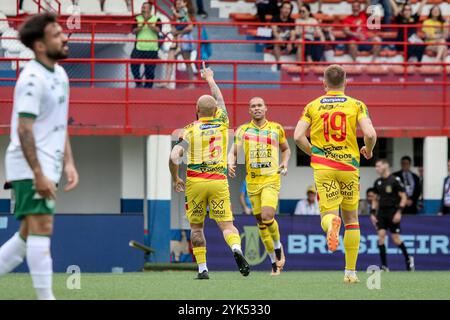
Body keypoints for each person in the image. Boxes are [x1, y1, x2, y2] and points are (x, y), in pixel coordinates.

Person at [0, 13, 79, 300]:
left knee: (25, 236)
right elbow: (24, 129)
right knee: (42, 228)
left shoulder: (59, 74)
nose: (65, 36)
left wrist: (69, 162)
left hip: (48, 164)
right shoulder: (32, 79)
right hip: (30, 166)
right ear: (41, 46)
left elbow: (59, 123)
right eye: (57, 34)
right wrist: (38, 173)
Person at [294, 64, 377, 284]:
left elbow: (297, 136)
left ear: (324, 83)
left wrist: (315, 152)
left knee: (328, 216)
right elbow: (369, 133)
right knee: (352, 220)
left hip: (324, 168)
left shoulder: (312, 106)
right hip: (349, 168)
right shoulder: (356, 105)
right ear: (346, 82)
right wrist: (368, 150)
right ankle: (350, 272)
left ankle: (331, 223)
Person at [169, 62, 250, 280]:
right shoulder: (223, 122)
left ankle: (203, 269)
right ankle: (236, 249)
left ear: (196, 111)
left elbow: (174, 156)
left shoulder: (189, 129)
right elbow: (220, 99)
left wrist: (176, 176)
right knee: (227, 225)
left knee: (196, 228)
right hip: (218, 181)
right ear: (215, 111)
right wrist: (210, 79)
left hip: (195, 182)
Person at [229, 97, 291, 276]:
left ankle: (279, 248)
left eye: (259, 105)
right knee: (261, 224)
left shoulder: (276, 128)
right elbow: (233, 153)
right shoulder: (243, 130)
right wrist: (230, 163)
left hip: (271, 179)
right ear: (249, 110)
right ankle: (273, 262)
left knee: (267, 215)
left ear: (266, 108)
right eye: (253, 106)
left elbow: (286, 149)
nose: (256, 108)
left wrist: (285, 163)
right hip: (252, 182)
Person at [371, 159, 414, 271]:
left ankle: (409, 259)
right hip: (381, 213)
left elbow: (404, 197)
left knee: (395, 239)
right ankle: (384, 266)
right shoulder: (378, 182)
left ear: (386, 165)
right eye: (376, 166)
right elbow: (375, 199)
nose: (377, 168)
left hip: (393, 213)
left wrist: (399, 212)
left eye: (378, 166)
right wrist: (372, 213)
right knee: (381, 237)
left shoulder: (395, 180)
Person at [163, 0, 195, 89]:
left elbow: (190, 27)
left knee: (187, 61)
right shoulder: (175, 15)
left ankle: (191, 83)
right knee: (170, 60)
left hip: (185, 39)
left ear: (185, 3)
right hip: (176, 40)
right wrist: (175, 32)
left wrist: (178, 32)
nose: (178, 3)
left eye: (180, 2)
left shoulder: (187, 13)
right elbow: (173, 28)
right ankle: (167, 82)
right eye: (177, 2)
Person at [131, 2, 161, 88]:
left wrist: (148, 23)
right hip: (139, 47)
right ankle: (138, 82)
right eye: (142, 7)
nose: (143, 9)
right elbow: (133, 31)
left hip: (152, 48)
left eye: (145, 8)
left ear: (150, 9)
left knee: (150, 69)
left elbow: (158, 30)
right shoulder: (137, 19)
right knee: (134, 65)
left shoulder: (157, 19)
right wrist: (142, 25)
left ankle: (148, 87)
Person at [270, 1, 296, 72]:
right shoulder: (275, 18)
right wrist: (280, 39)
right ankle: (279, 63)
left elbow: (293, 33)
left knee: (300, 42)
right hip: (279, 40)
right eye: (285, 8)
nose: (287, 10)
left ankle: (299, 66)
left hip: (288, 42)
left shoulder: (292, 20)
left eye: (289, 8)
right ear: (281, 9)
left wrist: (290, 42)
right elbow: (274, 32)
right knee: (276, 41)